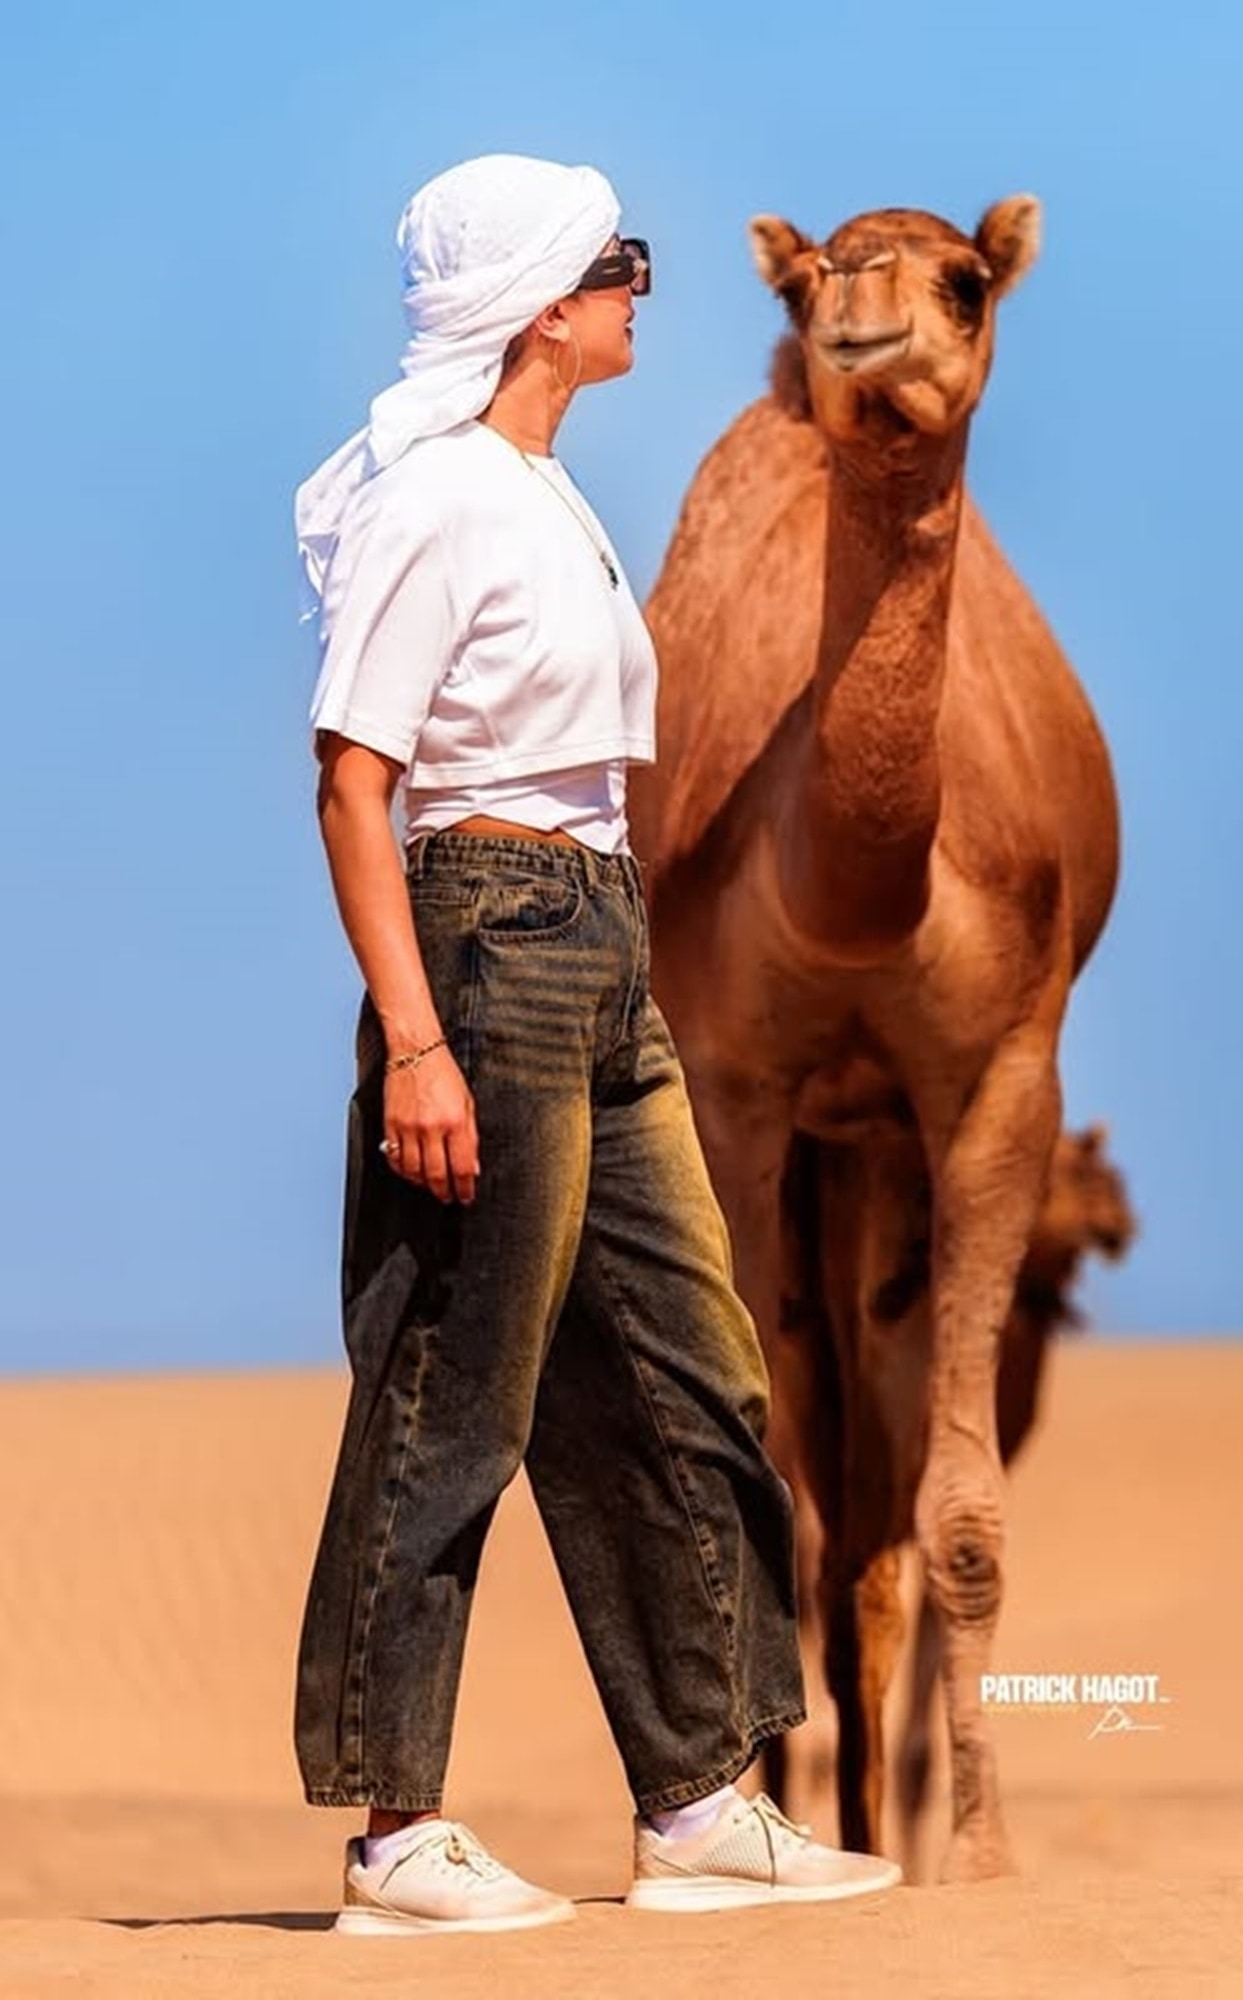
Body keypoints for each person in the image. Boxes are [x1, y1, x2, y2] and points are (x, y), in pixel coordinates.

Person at [291, 154, 902, 1937]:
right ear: (542, 306)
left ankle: (703, 1802)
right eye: (615, 262)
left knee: (693, 1366)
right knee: (451, 1394)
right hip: (486, 949)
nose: (644, 286)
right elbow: (355, 780)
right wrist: (416, 1038)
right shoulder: (444, 502)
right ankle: (398, 1837)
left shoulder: (545, 494)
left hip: (604, 951)